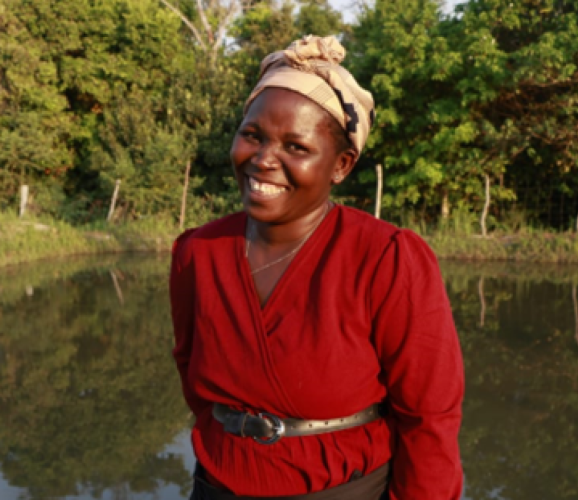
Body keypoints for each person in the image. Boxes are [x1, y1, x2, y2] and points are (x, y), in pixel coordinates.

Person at [169, 34, 464, 500]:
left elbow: (429, 417)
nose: (263, 160)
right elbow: (193, 377)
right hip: (218, 487)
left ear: (341, 165)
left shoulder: (387, 257)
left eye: (296, 147)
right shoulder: (198, 252)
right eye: (252, 135)